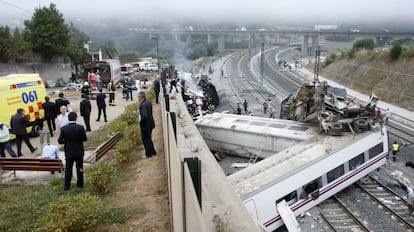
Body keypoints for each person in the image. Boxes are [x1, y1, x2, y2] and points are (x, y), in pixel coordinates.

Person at [58, 112, 87, 191]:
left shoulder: (64, 128)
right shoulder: (80, 127)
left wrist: (67, 142)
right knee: (79, 168)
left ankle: (67, 186)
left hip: (69, 151)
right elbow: (84, 139)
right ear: (76, 118)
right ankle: (80, 184)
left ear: (68, 118)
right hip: (79, 151)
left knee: (68, 169)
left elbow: (60, 141)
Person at [138, 91, 156, 158]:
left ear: (140, 97)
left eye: (138, 96)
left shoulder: (142, 105)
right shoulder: (148, 102)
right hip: (150, 124)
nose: (138, 98)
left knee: (146, 140)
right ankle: (153, 151)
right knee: (149, 138)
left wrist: (141, 123)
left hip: (145, 126)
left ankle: (148, 154)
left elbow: (144, 116)